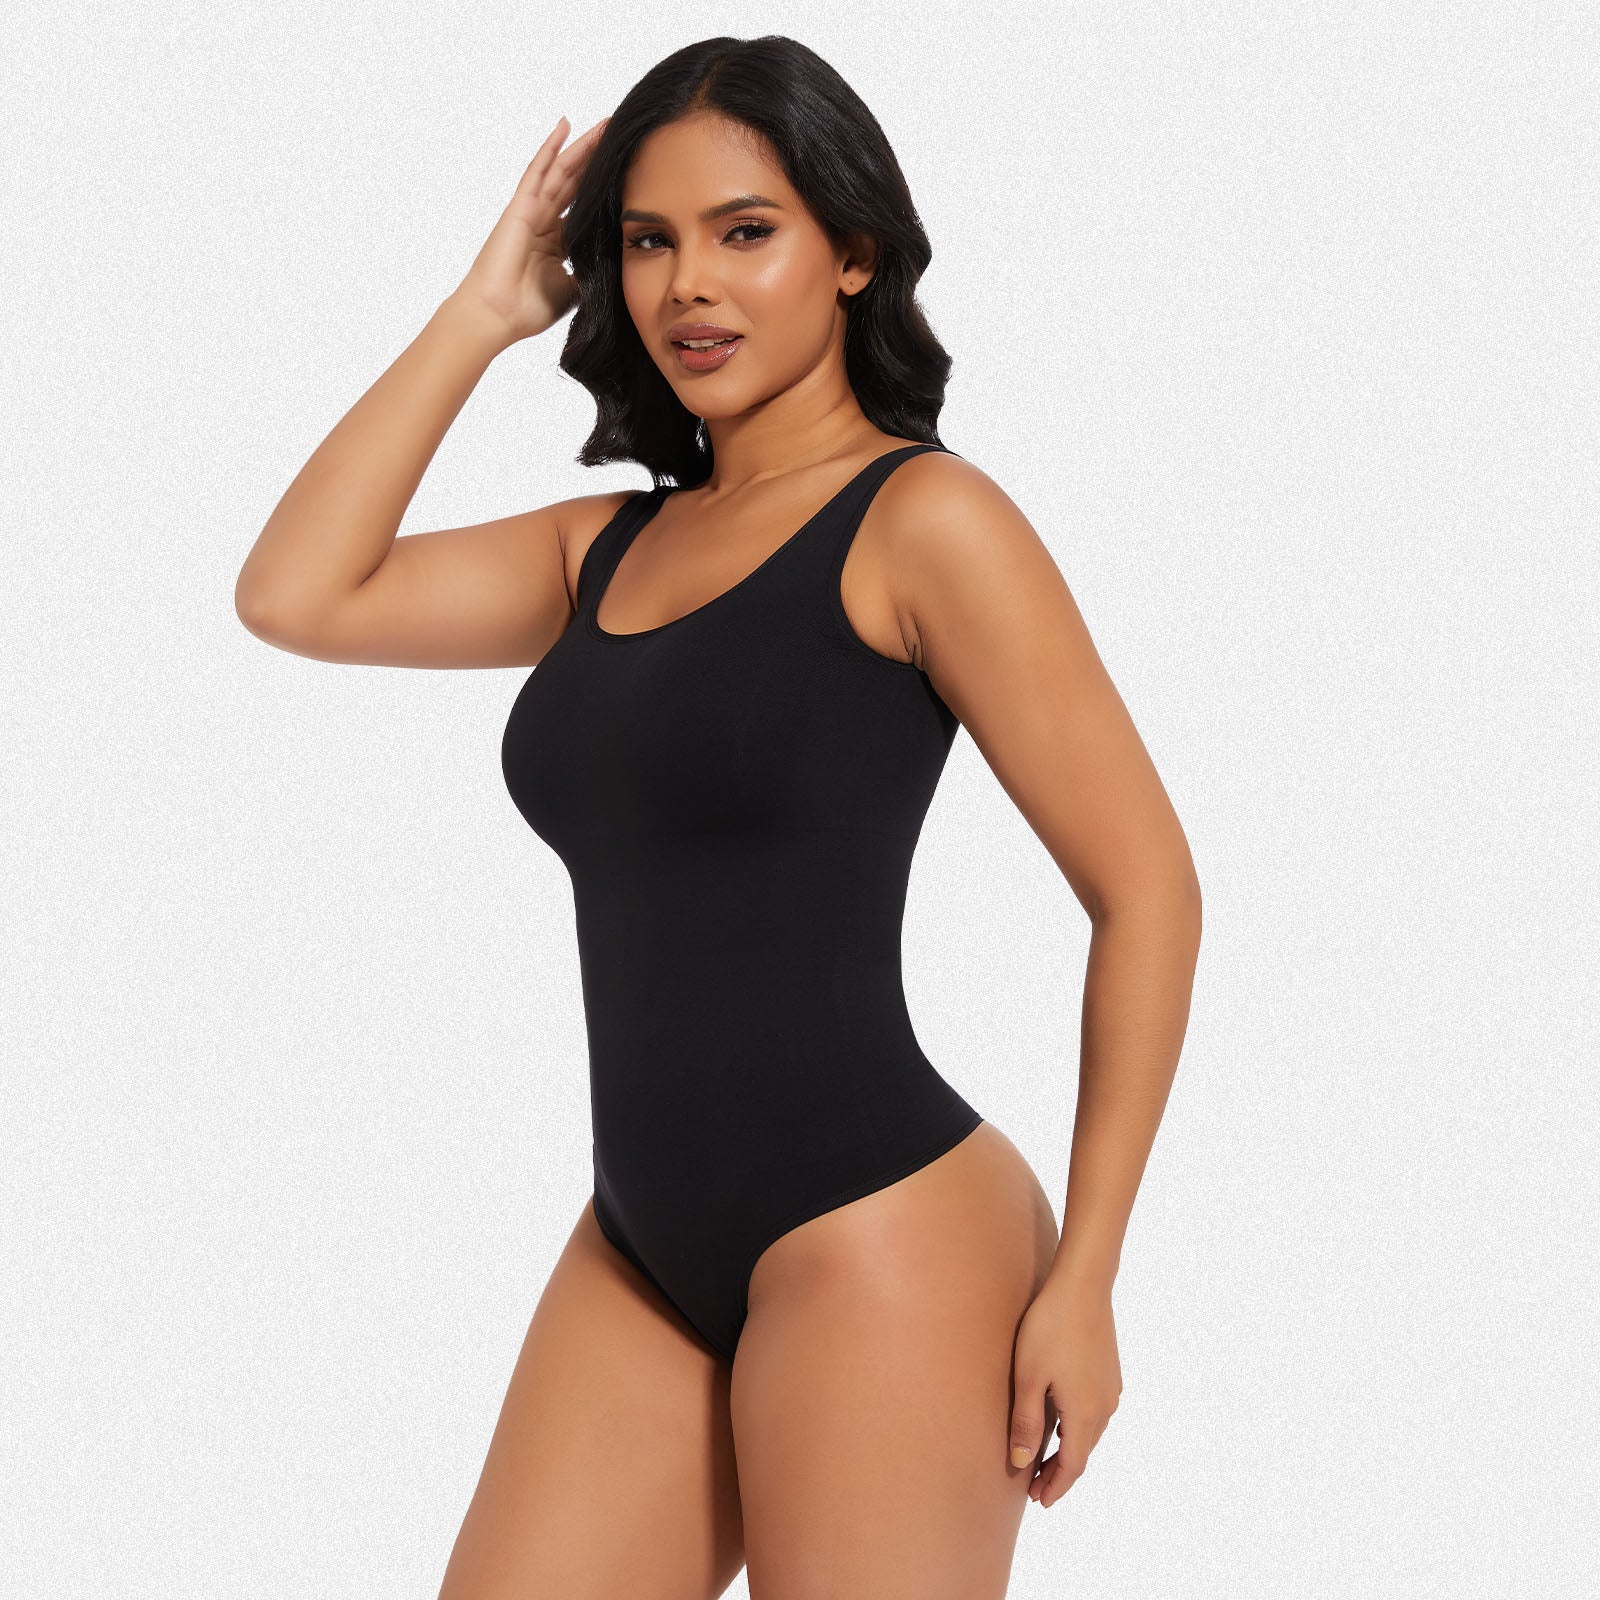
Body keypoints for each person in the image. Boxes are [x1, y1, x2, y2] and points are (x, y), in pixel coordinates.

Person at [235, 34, 1201, 1599]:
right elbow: (296, 593)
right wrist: (485, 312)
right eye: (647, 240)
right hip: (641, 1246)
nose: (690, 284)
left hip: (883, 1232)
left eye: (745, 231)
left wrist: (1087, 1274)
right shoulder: (603, 552)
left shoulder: (928, 523)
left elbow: (1147, 888)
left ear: (852, 252)